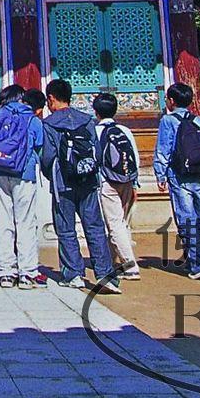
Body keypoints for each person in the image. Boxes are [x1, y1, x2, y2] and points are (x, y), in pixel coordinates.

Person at [40, 79, 120, 294]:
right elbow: (97, 149)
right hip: (88, 181)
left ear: (51, 98)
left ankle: (73, 274)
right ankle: (105, 275)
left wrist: (51, 176)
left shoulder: (49, 124)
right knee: (94, 227)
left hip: (62, 184)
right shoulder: (86, 121)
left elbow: (48, 156)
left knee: (66, 229)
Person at [0, 84, 45, 289]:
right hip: (24, 175)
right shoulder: (33, 120)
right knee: (25, 222)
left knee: (2, 221)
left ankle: (6, 272)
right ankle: (27, 272)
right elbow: (40, 148)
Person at [155, 83, 200, 280]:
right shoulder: (198, 121)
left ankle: (199, 263)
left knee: (186, 218)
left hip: (178, 175)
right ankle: (190, 258)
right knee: (197, 217)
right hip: (197, 173)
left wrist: (160, 175)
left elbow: (163, 150)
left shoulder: (168, 121)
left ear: (172, 101)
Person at [93, 92, 142, 280]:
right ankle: (114, 261)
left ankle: (130, 266)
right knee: (120, 222)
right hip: (127, 180)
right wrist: (135, 183)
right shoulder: (125, 130)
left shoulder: (96, 132)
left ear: (96, 111)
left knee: (114, 225)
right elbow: (134, 158)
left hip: (107, 182)